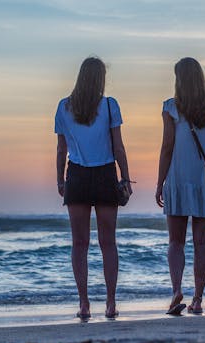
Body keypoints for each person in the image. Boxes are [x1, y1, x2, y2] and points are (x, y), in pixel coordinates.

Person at [55, 57, 132, 320]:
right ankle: (110, 303)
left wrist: (59, 180)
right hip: (104, 174)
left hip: (76, 175)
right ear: (100, 79)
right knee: (108, 243)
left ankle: (84, 303)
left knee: (79, 244)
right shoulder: (110, 106)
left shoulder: (64, 107)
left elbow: (61, 148)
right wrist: (126, 177)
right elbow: (118, 146)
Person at [155, 57, 205, 315]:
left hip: (177, 178)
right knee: (201, 242)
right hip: (204, 181)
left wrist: (159, 183)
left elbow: (167, 148)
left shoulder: (171, 108)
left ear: (179, 80)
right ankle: (197, 299)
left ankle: (177, 290)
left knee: (175, 242)